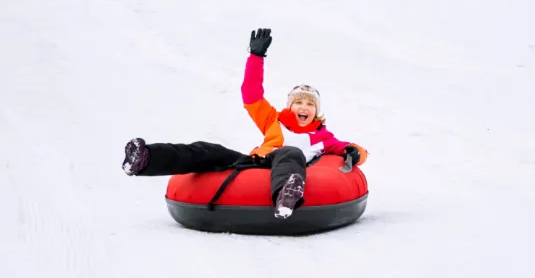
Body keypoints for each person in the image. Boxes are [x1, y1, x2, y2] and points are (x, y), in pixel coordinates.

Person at [122, 28, 368, 219]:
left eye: (309, 104)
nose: (303, 108)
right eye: (298, 102)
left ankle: (286, 197)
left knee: (290, 152)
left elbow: (350, 149)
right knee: (209, 150)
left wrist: (356, 151)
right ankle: (145, 158)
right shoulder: (273, 120)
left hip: (287, 163)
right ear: (290, 106)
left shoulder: (322, 137)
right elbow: (251, 94)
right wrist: (256, 57)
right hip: (257, 162)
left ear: (316, 111)